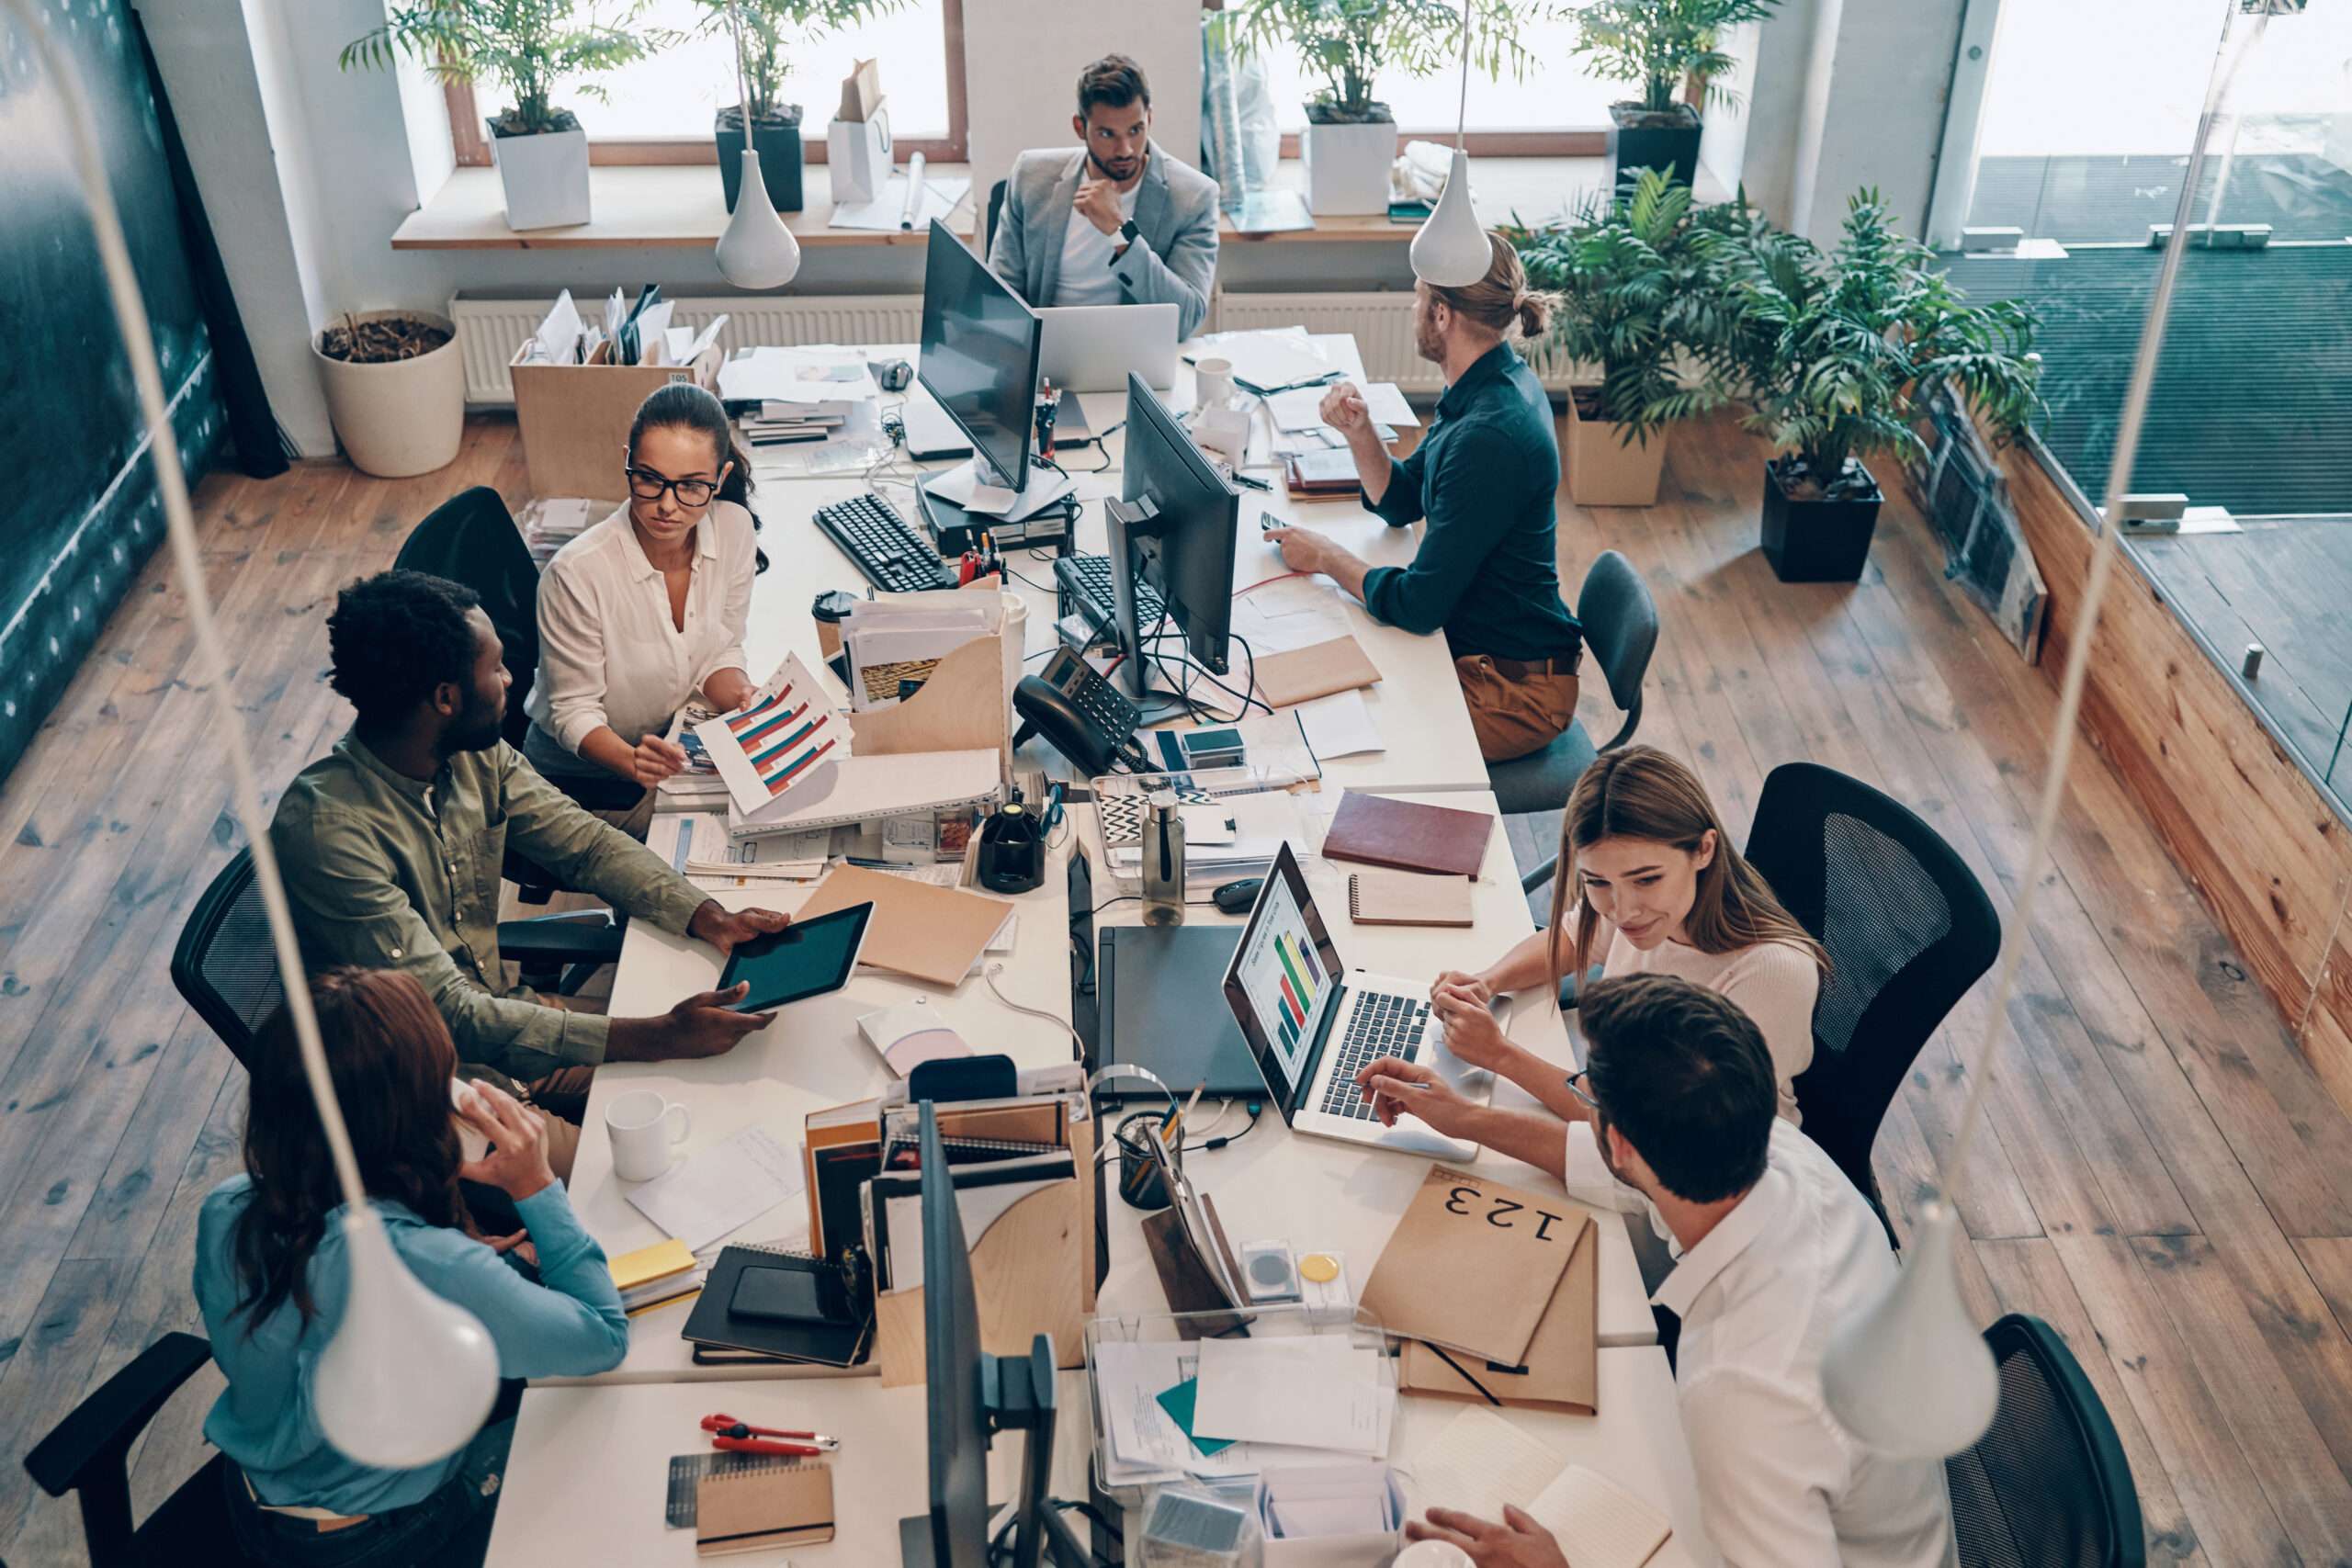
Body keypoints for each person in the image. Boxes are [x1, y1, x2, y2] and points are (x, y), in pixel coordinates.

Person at [1367, 975, 1957, 1568]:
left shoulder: (1745, 1386)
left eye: (1586, 1094)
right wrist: (1465, 1118)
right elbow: (1616, 1169)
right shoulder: (1766, 1141)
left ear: (1619, 1142)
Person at [271, 569, 786, 1177]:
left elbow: (585, 844)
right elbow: (453, 1016)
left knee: (721, 1078)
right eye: (497, 668)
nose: (511, 680)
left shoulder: (473, 752)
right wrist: (658, 1034)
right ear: (445, 698)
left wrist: (709, 915)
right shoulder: (328, 832)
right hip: (426, 1091)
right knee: (657, 1170)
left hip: (506, 1016)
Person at [197, 967, 631, 1566]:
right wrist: (535, 1181)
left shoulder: (226, 1206)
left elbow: (288, 1338)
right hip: (381, 1537)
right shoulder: (425, 1263)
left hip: (255, 1503)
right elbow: (602, 1337)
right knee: (614, 1439)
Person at [1263, 231, 1583, 761]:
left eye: (1417, 297)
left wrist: (1325, 556)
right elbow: (1403, 501)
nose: (1413, 308)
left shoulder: (1490, 432)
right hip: (1477, 649)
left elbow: (1418, 605)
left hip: (1514, 691)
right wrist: (1360, 432)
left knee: (1347, 746)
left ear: (1440, 314)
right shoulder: (1485, 384)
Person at [1430, 746, 1826, 1128]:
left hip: (1703, 1165)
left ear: (1704, 850)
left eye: (1648, 879)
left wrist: (1501, 1056)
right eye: (1598, 882)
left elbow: (1652, 1132)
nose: (1622, 910)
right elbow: (1571, 937)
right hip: (1620, 1109)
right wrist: (1487, 982)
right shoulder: (1639, 908)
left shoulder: (1772, 973)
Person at [523, 383, 760, 838]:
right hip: (584, 778)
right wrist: (633, 763)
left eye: (692, 486)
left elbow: (721, 650)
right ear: (627, 460)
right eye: (650, 479)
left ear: (720, 474)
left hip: (669, 744)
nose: (667, 506)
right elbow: (573, 712)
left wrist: (744, 697)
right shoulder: (576, 572)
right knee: (736, 836)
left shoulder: (734, 529)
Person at [988, 54, 1219, 339]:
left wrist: (1119, 232)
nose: (1125, 150)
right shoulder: (1031, 177)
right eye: (1107, 134)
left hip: (1135, 354)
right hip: (1047, 352)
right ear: (1079, 127)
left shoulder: (1193, 197)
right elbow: (1001, 294)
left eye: (1136, 130)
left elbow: (1186, 320)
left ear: (1149, 118)